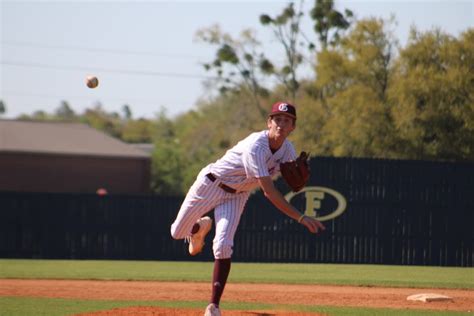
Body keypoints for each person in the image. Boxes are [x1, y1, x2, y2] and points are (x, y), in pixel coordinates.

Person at [170, 101, 325, 316]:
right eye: (277, 119)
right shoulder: (256, 146)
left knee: (223, 245)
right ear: (269, 123)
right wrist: (300, 217)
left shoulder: (288, 150)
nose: (281, 124)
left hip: (238, 194)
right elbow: (269, 192)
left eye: (287, 120)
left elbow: (295, 181)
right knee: (177, 233)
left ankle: (213, 306)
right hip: (211, 184)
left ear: (293, 127)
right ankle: (199, 228)